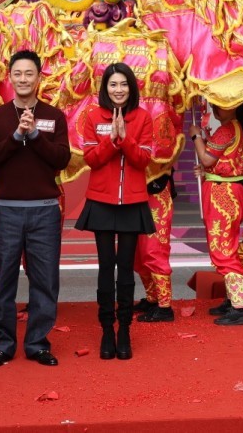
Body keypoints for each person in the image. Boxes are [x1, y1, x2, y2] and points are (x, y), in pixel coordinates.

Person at [0, 50, 70, 368]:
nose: (23, 79)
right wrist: (16, 136)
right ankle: (2, 345)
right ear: (9, 77)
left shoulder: (54, 116)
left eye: (29, 73)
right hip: (7, 210)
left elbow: (61, 160)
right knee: (4, 278)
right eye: (17, 73)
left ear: (38, 77)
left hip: (45, 211)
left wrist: (34, 135)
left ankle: (37, 344)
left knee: (45, 279)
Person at [76, 62, 155, 360]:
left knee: (126, 270)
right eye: (113, 85)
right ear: (105, 88)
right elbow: (91, 160)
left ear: (131, 87)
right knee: (106, 268)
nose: (118, 90)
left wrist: (126, 138)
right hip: (101, 202)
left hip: (132, 202)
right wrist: (111, 141)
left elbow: (143, 160)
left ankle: (125, 330)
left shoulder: (144, 117)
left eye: (123, 84)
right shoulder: (92, 116)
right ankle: (106, 330)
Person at [190, 104, 243, 326]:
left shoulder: (227, 129)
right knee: (227, 246)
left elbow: (207, 159)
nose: (218, 108)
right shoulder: (236, 128)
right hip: (227, 192)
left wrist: (196, 136)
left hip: (224, 195)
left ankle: (240, 307)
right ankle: (233, 299)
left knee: (223, 250)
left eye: (224, 104)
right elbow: (217, 163)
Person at [133, 172, 175, 322]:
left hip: (156, 190)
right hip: (135, 192)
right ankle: (153, 298)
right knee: (138, 254)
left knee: (154, 249)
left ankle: (164, 306)